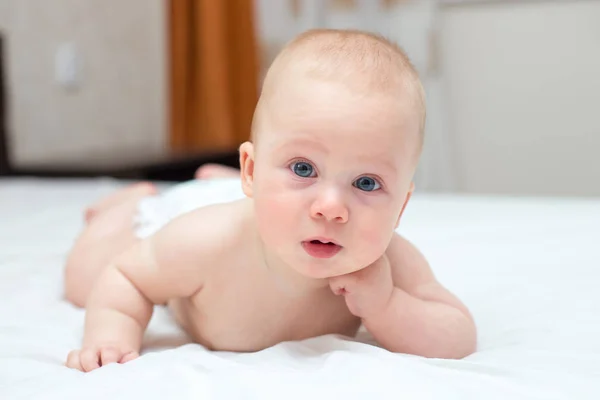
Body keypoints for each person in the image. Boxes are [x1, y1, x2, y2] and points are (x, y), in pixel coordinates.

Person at [64, 29, 477, 372]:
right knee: (84, 280)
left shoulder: (386, 263)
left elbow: (457, 335)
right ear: (252, 170)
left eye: (366, 183)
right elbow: (126, 278)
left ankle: (238, 179)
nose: (331, 207)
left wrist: (388, 306)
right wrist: (111, 336)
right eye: (303, 168)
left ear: (401, 206)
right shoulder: (206, 240)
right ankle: (123, 204)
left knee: (278, 203)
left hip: (261, 201)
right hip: (181, 211)